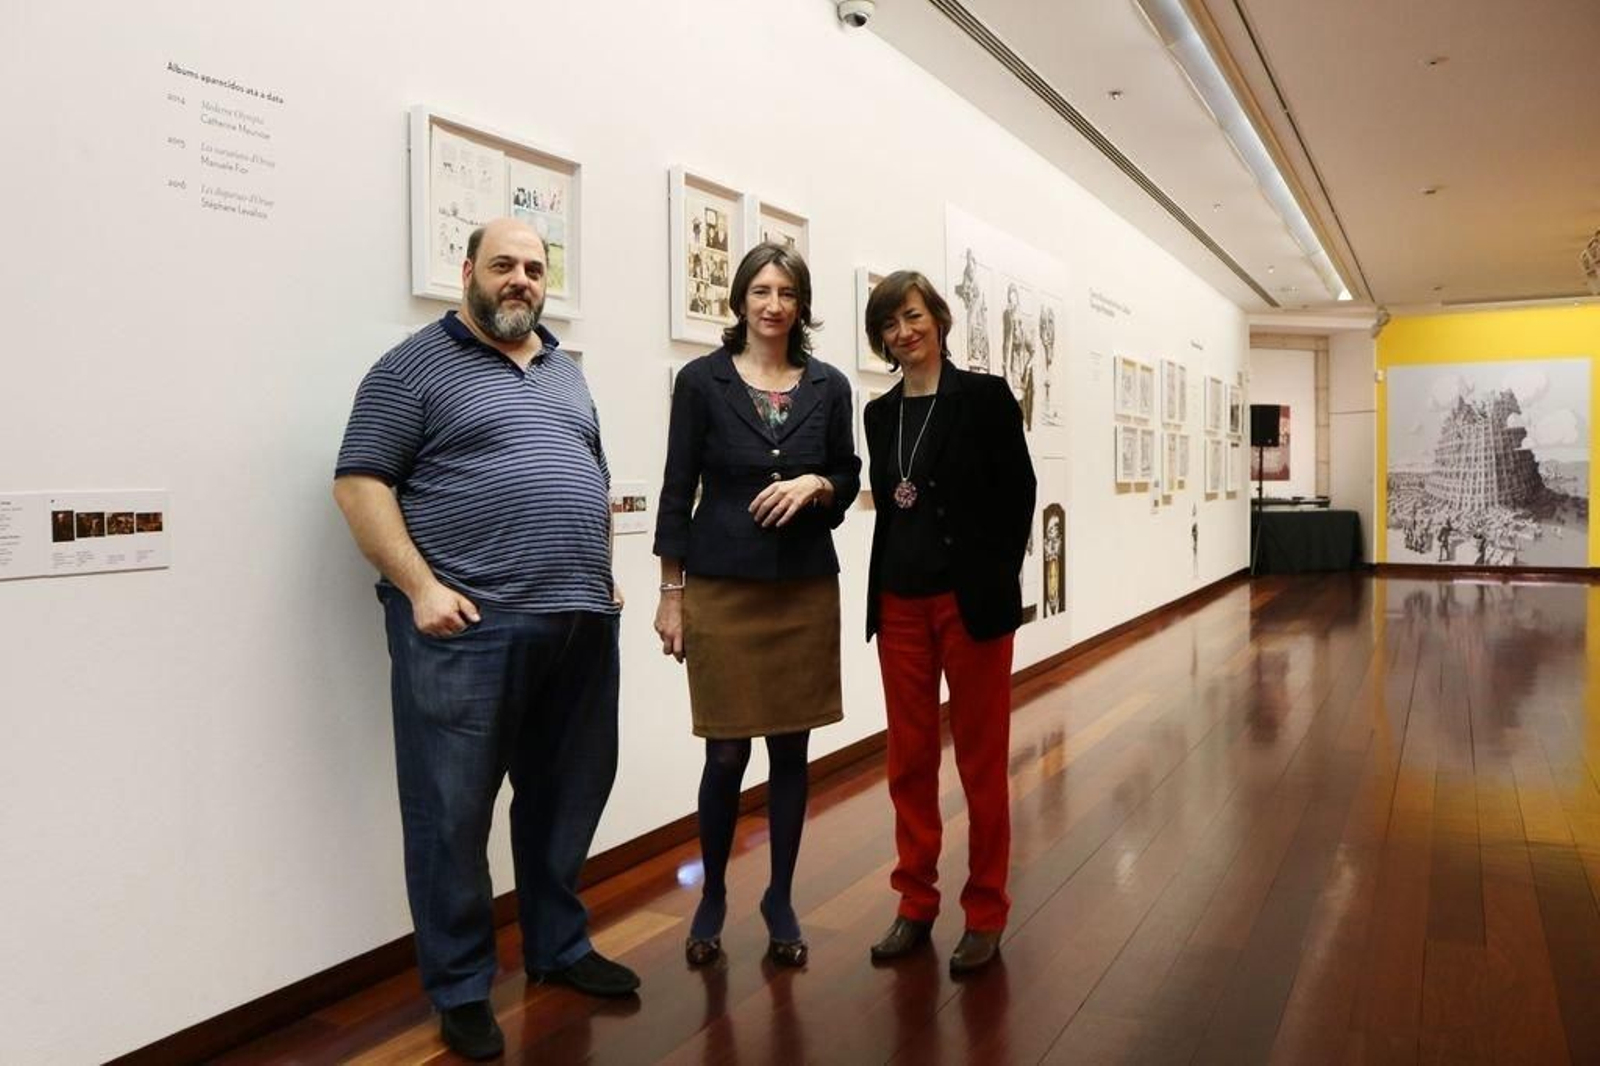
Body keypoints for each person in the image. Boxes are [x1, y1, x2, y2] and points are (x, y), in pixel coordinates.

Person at [333, 218, 635, 1061]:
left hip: (578, 625)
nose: (520, 280)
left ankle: (559, 948)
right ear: (466, 271)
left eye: (534, 269)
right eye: (503, 264)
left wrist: (599, 573)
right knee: (450, 814)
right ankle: (463, 986)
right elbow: (360, 483)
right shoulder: (410, 369)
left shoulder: (565, 375)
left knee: (567, 796)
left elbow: (593, 479)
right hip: (467, 629)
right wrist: (421, 588)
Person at [653, 243, 860, 970]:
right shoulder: (701, 383)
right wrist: (670, 594)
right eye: (761, 289)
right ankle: (713, 894)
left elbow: (846, 470)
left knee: (792, 751)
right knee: (726, 751)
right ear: (739, 299)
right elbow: (678, 490)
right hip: (721, 587)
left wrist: (817, 486)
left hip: (803, 588)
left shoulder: (830, 386)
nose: (773, 303)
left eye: (788, 292)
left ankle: (780, 896)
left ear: (802, 305)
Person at [859, 270, 1036, 976]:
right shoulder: (879, 414)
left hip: (970, 606)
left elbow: (1018, 495)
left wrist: (994, 576)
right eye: (889, 326)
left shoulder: (986, 399)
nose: (904, 333)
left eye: (912, 317)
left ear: (938, 317)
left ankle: (986, 911)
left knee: (981, 762)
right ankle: (915, 903)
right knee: (908, 761)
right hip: (899, 603)